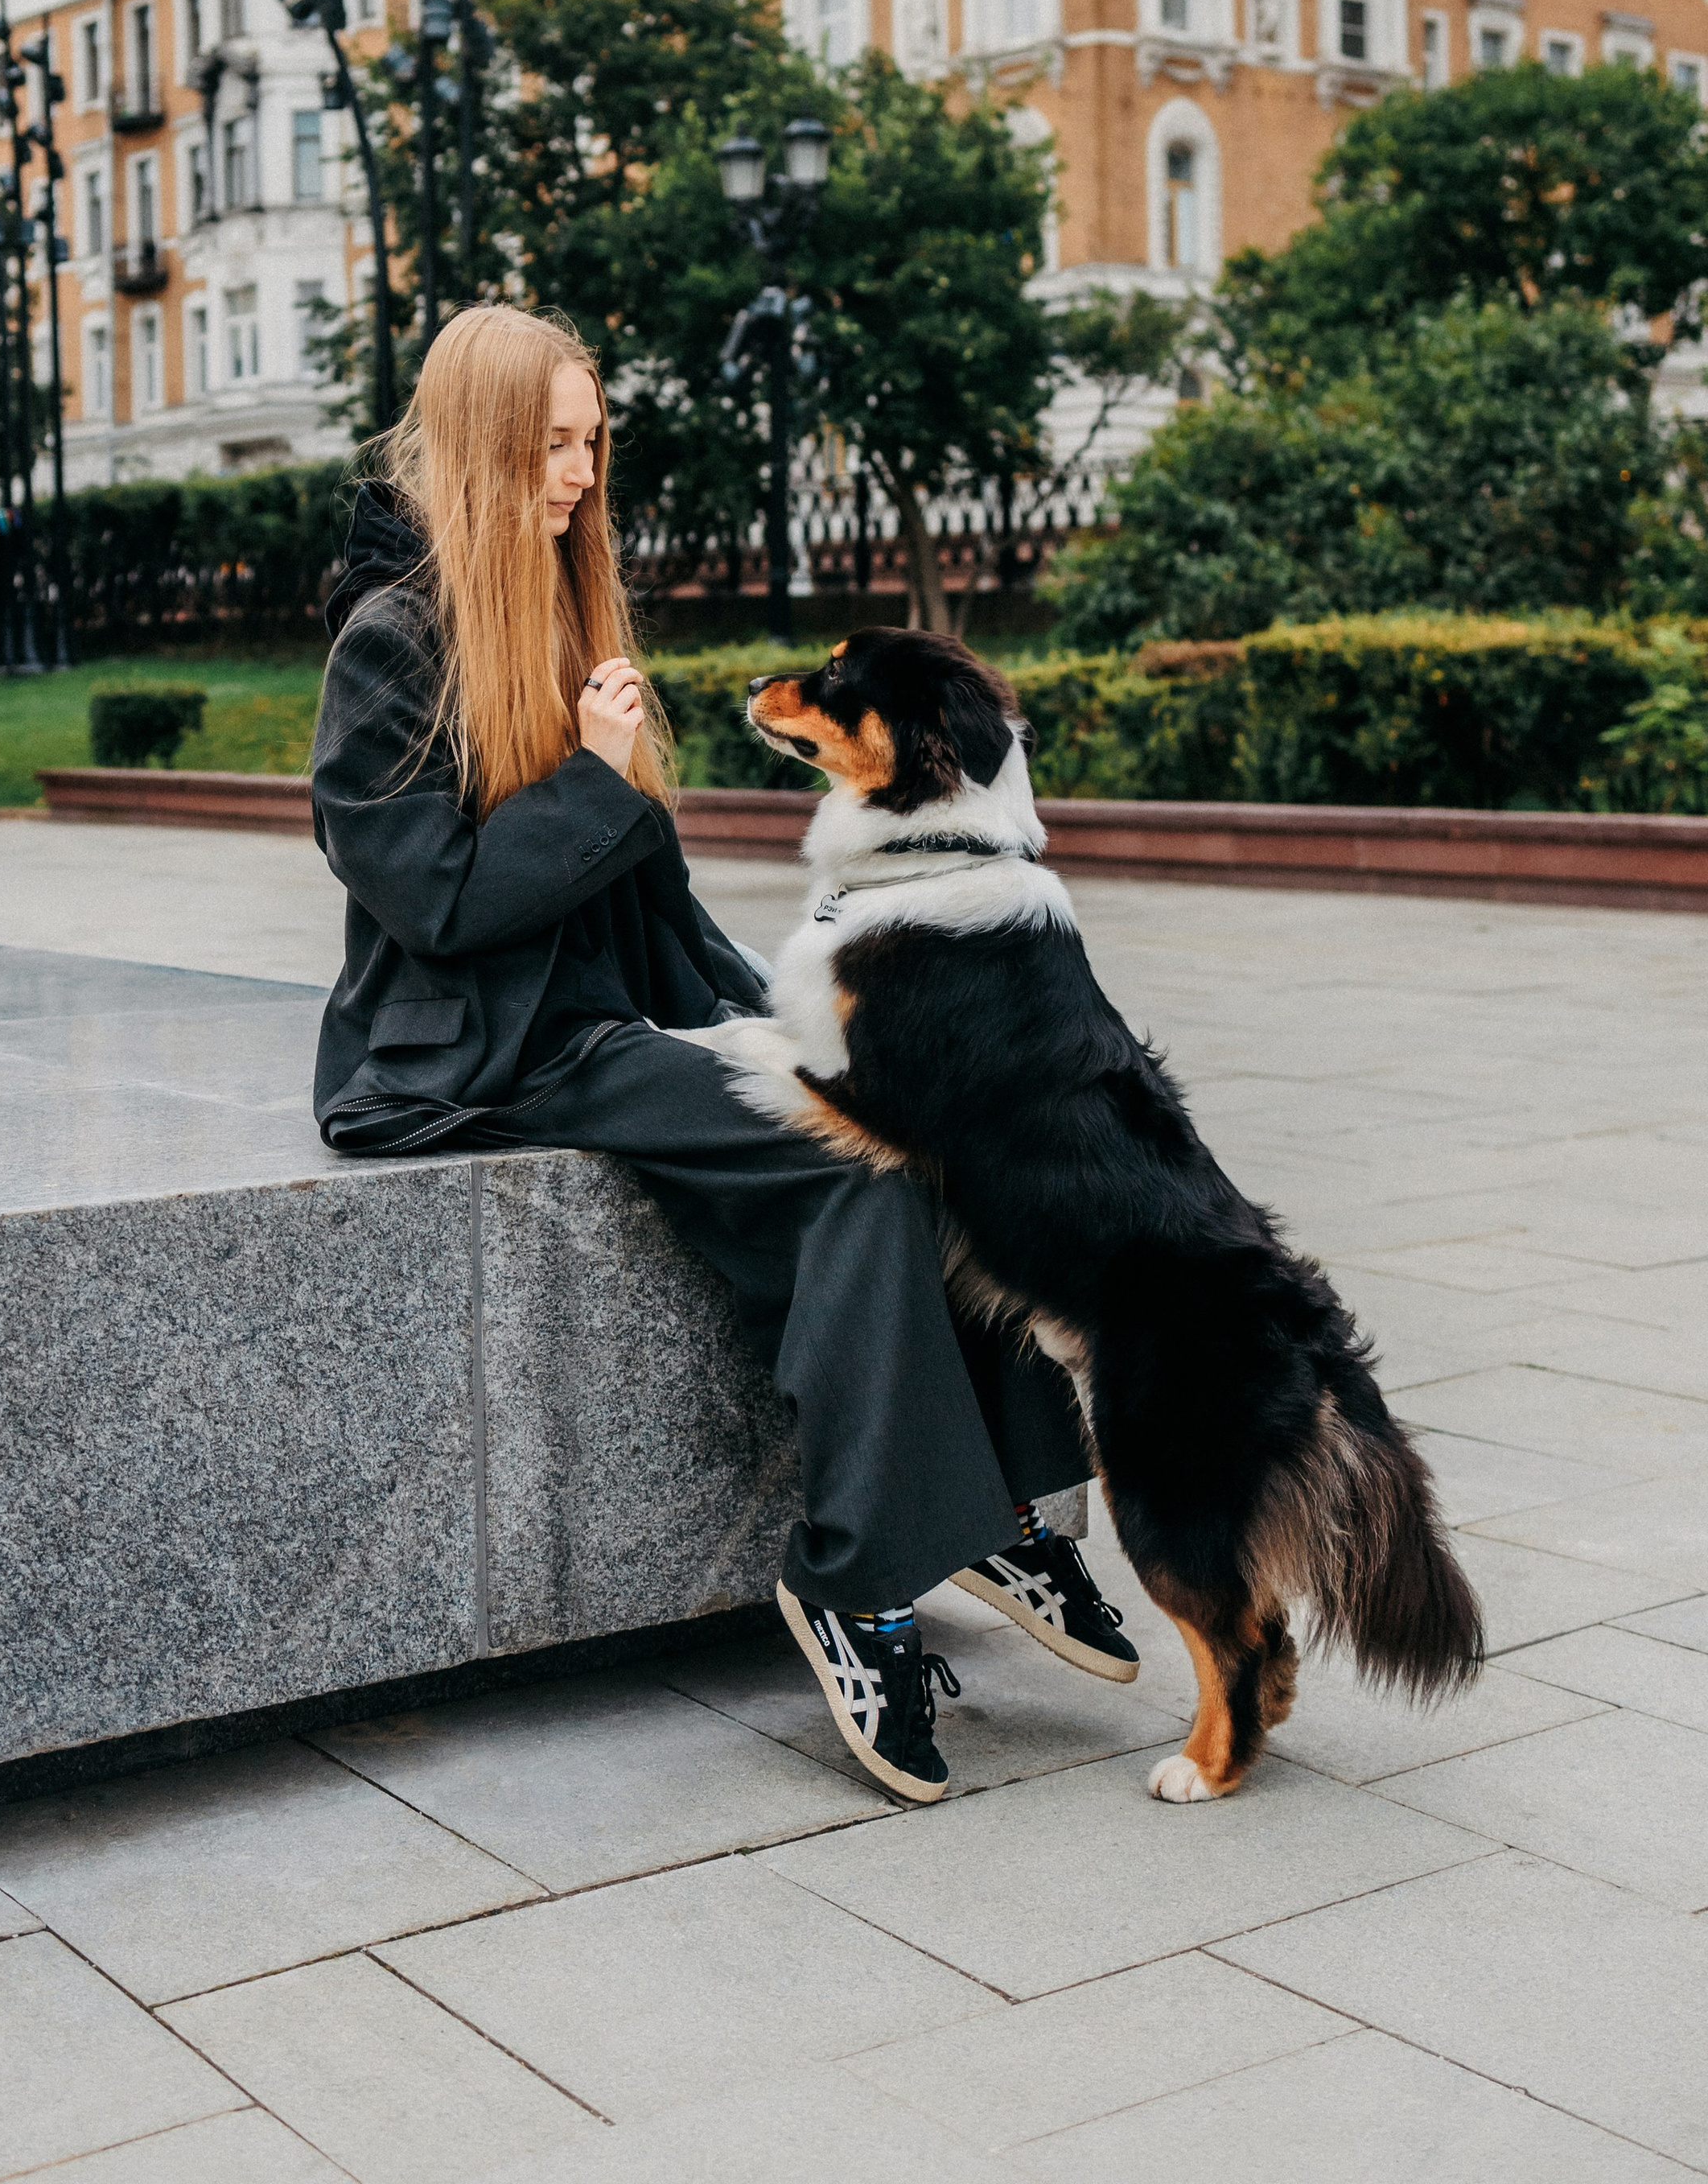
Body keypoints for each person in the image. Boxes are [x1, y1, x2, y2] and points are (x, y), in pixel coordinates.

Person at [311, 304, 1135, 1802]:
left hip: (611, 1011)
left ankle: (1006, 1512)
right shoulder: (392, 640)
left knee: (909, 1110)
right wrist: (595, 777)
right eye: (551, 443)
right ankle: (854, 1582)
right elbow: (435, 904)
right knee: (853, 1164)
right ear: (485, 438)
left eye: (591, 439)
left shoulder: (555, 602)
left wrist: (780, 1010)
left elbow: (643, 890)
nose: (577, 472)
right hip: (489, 1052)